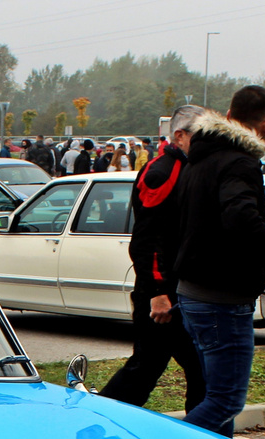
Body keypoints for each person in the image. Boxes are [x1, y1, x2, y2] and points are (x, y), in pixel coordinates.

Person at [174, 85, 265, 437]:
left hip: (194, 290)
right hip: (222, 296)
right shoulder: (239, 161)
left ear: (228, 112)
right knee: (225, 400)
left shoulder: (203, 155)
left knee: (214, 394)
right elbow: (241, 217)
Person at [99, 104, 206, 417]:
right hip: (161, 292)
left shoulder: (187, 167)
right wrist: (158, 293)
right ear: (180, 135)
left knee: (194, 369)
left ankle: (198, 434)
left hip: (179, 288)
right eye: (201, 135)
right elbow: (147, 239)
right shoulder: (161, 172)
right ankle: (99, 423)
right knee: (147, 370)